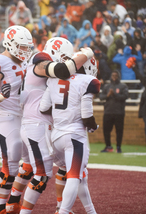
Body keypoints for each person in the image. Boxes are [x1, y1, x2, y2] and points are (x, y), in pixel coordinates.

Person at [13, 38, 94, 214]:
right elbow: (64, 70)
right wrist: (87, 53)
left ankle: (15, 204)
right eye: (65, 56)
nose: (67, 60)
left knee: (61, 166)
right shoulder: (42, 62)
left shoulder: (39, 68)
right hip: (38, 125)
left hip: (34, 124)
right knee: (42, 175)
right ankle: (18, 210)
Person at [39, 52, 100, 214]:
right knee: (74, 177)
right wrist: (93, 127)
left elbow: (43, 108)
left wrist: (62, 112)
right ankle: (63, 211)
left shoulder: (53, 79)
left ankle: (91, 211)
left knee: (81, 176)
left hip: (56, 137)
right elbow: (86, 115)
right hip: (74, 136)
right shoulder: (88, 81)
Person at [0, 25, 34, 214]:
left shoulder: (25, 62)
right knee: (11, 165)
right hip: (6, 118)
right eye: (21, 47)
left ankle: (13, 202)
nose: (25, 51)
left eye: (27, 47)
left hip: (24, 118)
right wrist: (1, 96)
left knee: (30, 165)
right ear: (10, 44)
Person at [99, 71, 129, 153]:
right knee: (106, 130)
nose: (114, 77)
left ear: (119, 76)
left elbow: (125, 96)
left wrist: (114, 94)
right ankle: (108, 146)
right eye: (113, 75)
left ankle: (118, 147)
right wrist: (108, 95)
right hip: (108, 112)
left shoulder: (123, 86)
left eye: (116, 75)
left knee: (119, 131)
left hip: (119, 113)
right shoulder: (107, 86)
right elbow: (101, 97)